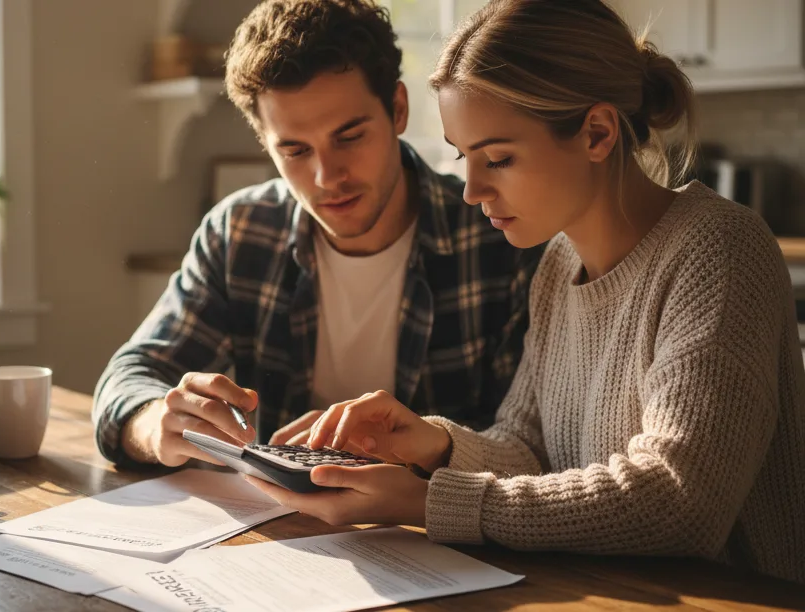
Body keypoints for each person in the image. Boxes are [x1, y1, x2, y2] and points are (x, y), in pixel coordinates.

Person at [244, 0, 805, 585]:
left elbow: (677, 500)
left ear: (597, 132)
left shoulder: (717, 250)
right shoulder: (559, 264)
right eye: (466, 159)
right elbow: (529, 448)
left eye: (499, 159)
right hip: (607, 592)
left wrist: (424, 502)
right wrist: (433, 444)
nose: (472, 190)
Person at [91, 0, 542, 470]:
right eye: (295, 150)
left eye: (349, 137)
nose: (327, 177)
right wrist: (154, 424)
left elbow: (529, 446)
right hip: (276, 531)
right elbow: (129, 377)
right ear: (265, 144)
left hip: (434, 533)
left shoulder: (497, 237)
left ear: (398, 109)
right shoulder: (239, 234)